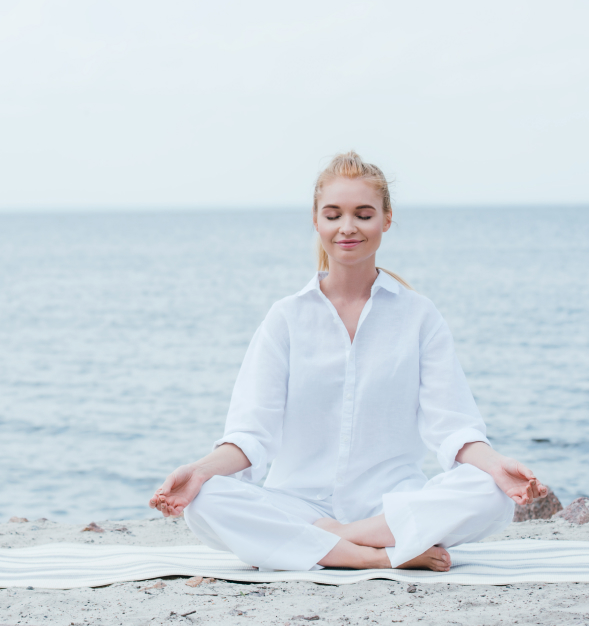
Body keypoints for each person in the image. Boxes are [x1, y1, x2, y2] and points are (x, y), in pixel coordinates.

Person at [149, 151, 547, 572]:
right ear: (316, 220)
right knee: (206, 499)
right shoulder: (285, 318)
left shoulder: (419, 316)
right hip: (298, 505)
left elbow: (453, 427)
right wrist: (198, 471)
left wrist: (497, 466)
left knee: (489, 491)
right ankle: (368, 557)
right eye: (333, 214)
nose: (347, 227)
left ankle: (332, 544)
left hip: (389, 509)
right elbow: (251, 435)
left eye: (363, 214)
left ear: (386, 220)